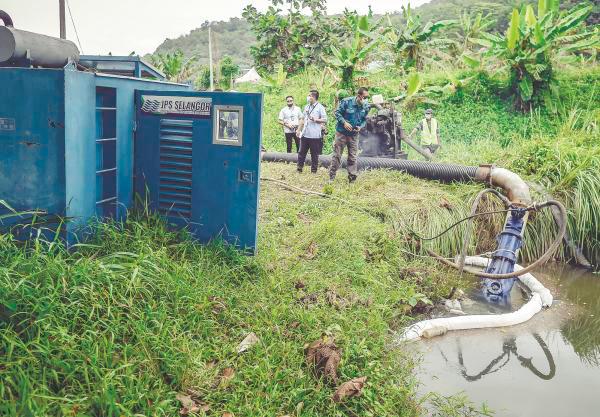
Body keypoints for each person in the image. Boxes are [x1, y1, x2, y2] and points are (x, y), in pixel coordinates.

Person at [330, 87, 371, 183]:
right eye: (364, 97)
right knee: (337, 155)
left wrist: (360, 126)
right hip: (342, 134)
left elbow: (365, 119)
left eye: (367, 97)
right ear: (359, 96)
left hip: (354, 135)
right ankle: (331, 177)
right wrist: (344, 122)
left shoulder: (366, 106)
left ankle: (352, 179)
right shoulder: (346, 102)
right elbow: (337, 113)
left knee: (352, 156)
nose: (365, 100)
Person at [296, 90, 327, 173]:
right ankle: (299, 168)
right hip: (305, 134)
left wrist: (315, 119)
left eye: (309, 95)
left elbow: (325, 119)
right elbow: (302, 119)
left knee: (314, 154)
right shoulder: (307, 106)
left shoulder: (320, 107)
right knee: (301, 152)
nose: (308, 97)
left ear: (313, 97)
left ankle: (313, 170)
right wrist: (299, 130)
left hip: (315, 135)